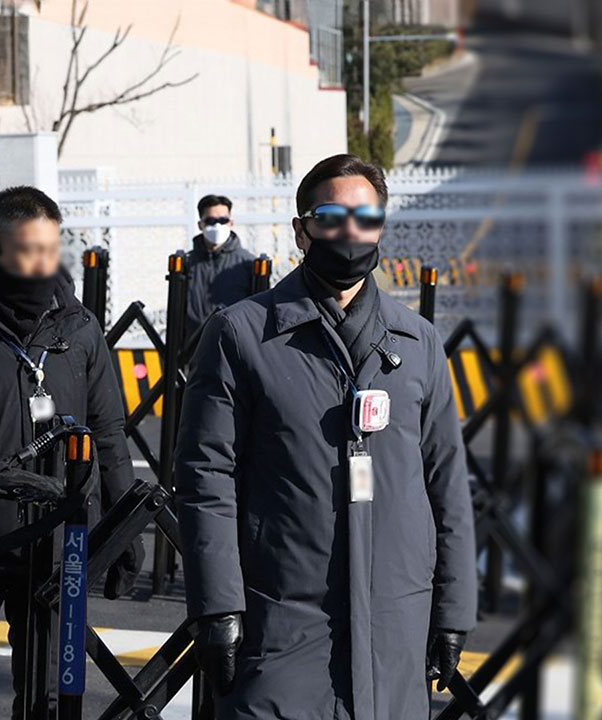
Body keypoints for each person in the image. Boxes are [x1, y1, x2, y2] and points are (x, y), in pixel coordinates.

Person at [175, 154, 477, 720]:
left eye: (367, 216)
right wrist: (218, 607)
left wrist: (453, 610)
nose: (350, 231)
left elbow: (446, 483)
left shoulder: (418, 342)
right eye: (332, 215)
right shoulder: (241, 335)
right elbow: (204, 478)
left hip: (395, 625)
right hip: (281, 623)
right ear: (301, 229)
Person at [0, 186, 143, 719]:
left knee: (49, 701)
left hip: (55, 546)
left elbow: (108, 432)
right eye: (28, 251)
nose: (42, 264)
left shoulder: (80, 327)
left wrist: (123, 529)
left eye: (50, 250)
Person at [184, 194, 255, 346]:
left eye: (223, 220)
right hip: (193, 349)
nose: (217, 226)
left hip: (236, 347)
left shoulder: (248, 263)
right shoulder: (186, 263)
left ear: (231, 223)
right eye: (211, 221)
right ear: (200, 224)